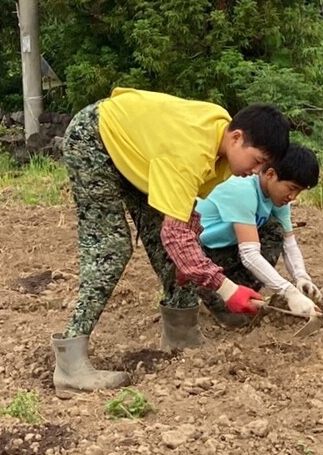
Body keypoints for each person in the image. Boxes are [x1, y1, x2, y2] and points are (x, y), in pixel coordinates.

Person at [53, 87, 290, 396]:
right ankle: (70, 364)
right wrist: (227, 289)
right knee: (111, 248)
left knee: (178, 247)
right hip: (95, 139)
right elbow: (176, 236)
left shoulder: (220, 140)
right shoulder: (190, 151)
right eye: (257, 160)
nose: (256, 172)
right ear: (236, 138)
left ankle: (182, 335)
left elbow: (183, 220)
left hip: (139, 154)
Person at [194, 144, 322, 327]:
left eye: (299, 191)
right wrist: (289, 292)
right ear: (270, 174)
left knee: (274, 230)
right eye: (292, 188)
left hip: (224, 248)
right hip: (196, 252)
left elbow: (289, 242)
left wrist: (301, 277)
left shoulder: (278, 199)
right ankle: (212, 297)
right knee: (265, 234)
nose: (293, 197)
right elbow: (249, 254)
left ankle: (235, 296)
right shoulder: (242, 190)